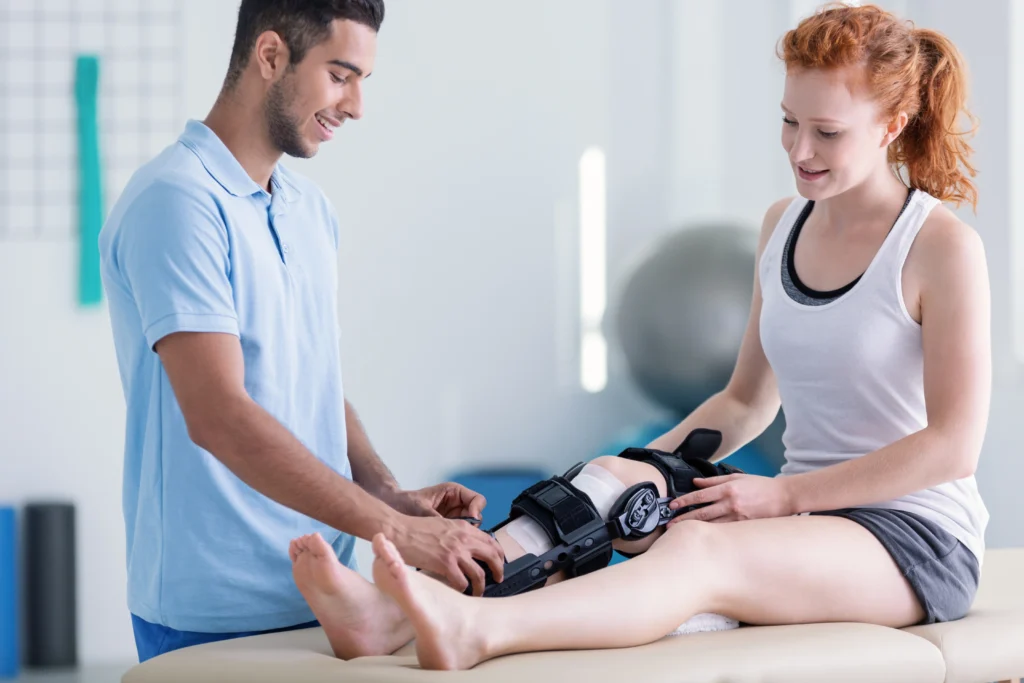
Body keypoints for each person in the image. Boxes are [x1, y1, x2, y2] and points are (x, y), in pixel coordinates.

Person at [288, 2, 992, 669]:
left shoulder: (939, 248)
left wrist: (785, 496)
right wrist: (626, 471)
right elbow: (746, 401)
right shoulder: (784, 225)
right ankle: (389, 616)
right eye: (788, 122)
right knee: (606, 483)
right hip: (807, 517)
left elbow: (953, 446)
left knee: (697, 551)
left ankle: (477, 628)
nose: (799, 149)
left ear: (893, 125)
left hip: (912, 538)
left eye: (827, 133)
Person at [99, 0, 504, 663]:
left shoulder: (309, 210)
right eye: (340, 76)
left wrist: (386, 493)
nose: (356, 106)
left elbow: (311, 382)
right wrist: (396, 530)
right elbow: (219, 415)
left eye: (362, 81)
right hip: (215, 609)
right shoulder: (176, 200)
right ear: (270, 55)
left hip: (327, 593)